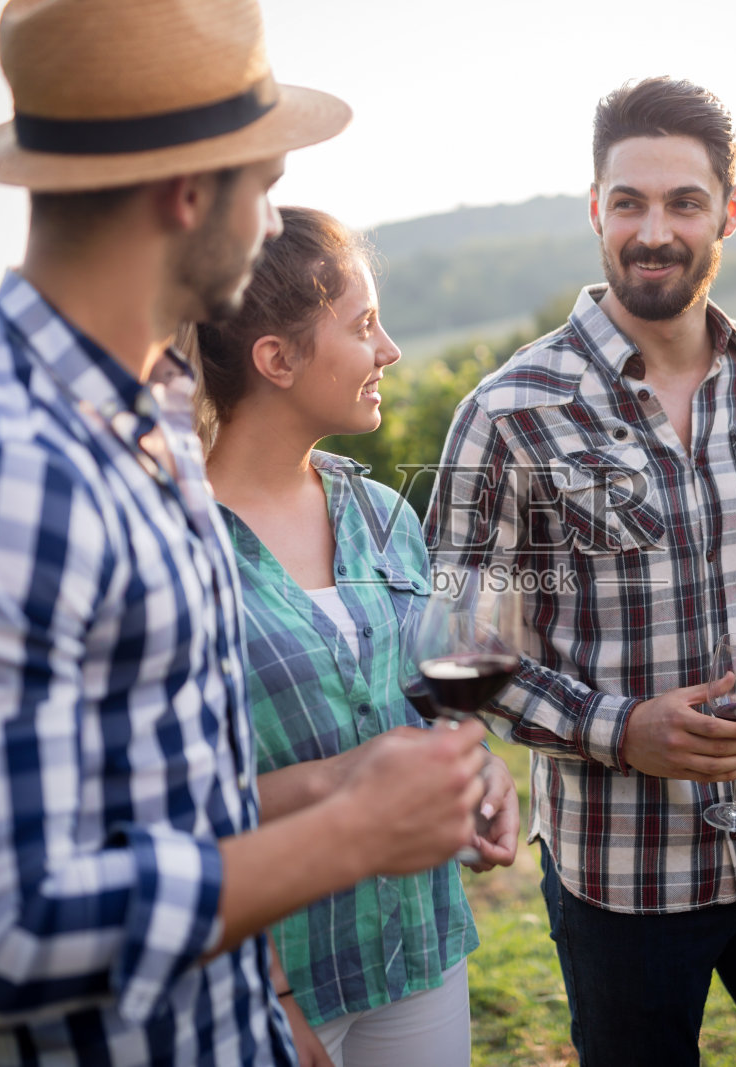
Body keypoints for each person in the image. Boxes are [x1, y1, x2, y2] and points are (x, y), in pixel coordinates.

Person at [0, 2, 488, 1064]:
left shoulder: (148, 424)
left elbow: (166, 789)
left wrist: (339, 785)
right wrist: (347, 835)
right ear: (189, 191)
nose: (272, 224)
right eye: (263, 187)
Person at [424, 76, 736, 1065]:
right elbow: (457, 655)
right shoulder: (510, 412)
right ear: (595, 208)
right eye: (629, 201)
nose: (654, 230)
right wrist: (621, 729)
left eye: (683, 201)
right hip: (624, 872)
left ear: (727, 211)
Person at [187, 206, 519, 1067]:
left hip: (418, 950)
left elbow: (428, 702)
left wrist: (476, 768)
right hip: (276, 974)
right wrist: (342, 779)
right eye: (363, 325)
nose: (390, 350)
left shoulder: (383, 515)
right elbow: (170, 807)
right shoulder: (176, 551)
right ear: (277, 359)